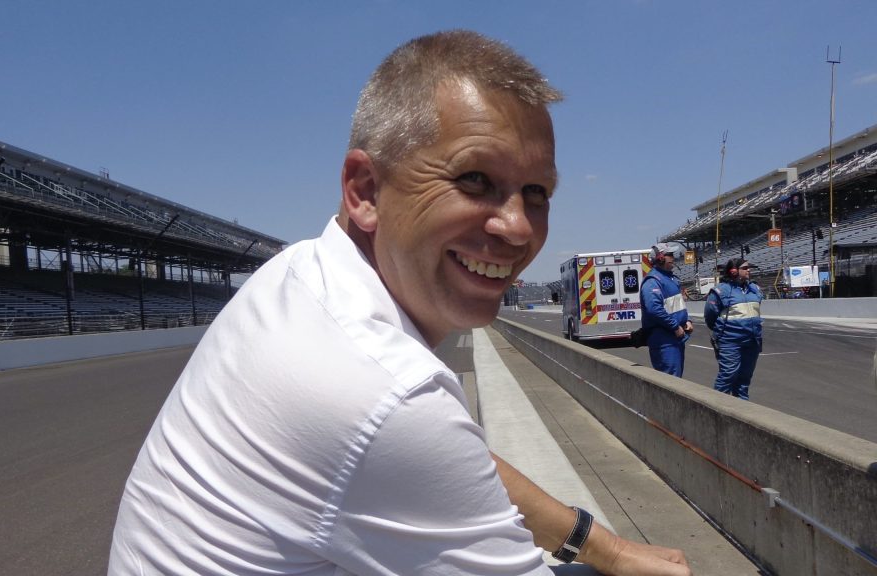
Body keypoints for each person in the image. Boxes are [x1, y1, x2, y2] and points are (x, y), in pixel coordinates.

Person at [109, 30, 690, 576]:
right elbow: (405, 432)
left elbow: (457, 466)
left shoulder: (299, 275)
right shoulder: (385, 391)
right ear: (365, 191)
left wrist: (603, 547)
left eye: (535, 191)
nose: (517, 228)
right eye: (475, 179)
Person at [705, 258, 763, 400]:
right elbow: (710, 315)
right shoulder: (721, 291)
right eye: (745, 268)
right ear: (734, 271)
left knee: (744, 379)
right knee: (728, 375)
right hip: (730, 341)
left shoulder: (754, 289)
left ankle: (741, 410)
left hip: (752, 341)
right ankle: (716, 408)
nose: (749, 270)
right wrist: (722, 332)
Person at [639, 242, 693, 377]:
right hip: (664, 340)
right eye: (670, 255)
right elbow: (654, 309)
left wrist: (687, 321)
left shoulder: (671, 279)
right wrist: (675, 326)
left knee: (677, 379)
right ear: (660, 258)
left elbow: (678, 305)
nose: (673, 258)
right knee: (671, 380)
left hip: (675, 338)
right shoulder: (653, 281)